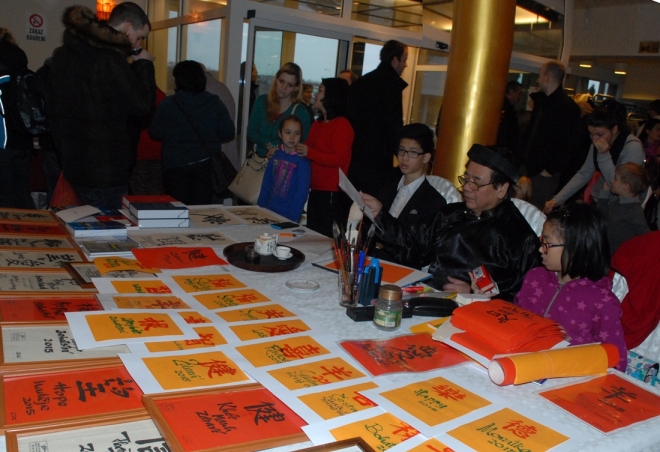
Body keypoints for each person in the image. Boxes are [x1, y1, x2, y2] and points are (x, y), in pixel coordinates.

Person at [362, 144, 541, 301]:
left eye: (476, 183)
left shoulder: (519, 236)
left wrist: (473, 294)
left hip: (475, 314)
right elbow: (414, 247)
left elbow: (523, 296)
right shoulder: (452, 214)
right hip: (429, 297)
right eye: (466, 179)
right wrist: (380, 216)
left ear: (502, 188)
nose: (467, 187)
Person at [48, 3, 156, 208]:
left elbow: (53, 107)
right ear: (127, 27)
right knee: (108, 225)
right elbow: (142, 106)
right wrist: (144, 65)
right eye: (139, 37)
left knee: (77, 223)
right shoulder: (110, 58)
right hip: (106, 168)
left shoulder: (63, 54)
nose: (137, 44)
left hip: (72, 162)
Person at [514, 203, 627, 371]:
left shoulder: (602, 301)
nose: (540, 249)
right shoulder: (535, 278)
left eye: (547, 243)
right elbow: (515, 319)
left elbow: (616, 361)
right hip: (522, 363)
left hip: (568, 377)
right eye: (541, 240)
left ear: (575, 248)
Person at [149, 60, 235, 205]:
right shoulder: (214, 103)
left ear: (178, 81)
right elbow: (228, 133)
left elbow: (155, 132)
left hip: (174, 165)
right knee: (201, 210)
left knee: (177, 210)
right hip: (205, 165)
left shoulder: (168, 105)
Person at [362, 123, 447, 265]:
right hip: (371, 259)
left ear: (426, 157)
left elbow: (415, 251)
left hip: (403, 268)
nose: (404, 158)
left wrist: (381, 217)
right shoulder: (388, 186)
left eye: (413, 152)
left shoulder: (433, 201)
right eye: (402, 150)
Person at [544, 101, 645, 213]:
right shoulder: (598, 143)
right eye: (591, 134)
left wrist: (604, 155)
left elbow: (620, 186)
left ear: (614, 129)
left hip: (621, 209)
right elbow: (584, 173)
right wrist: (557, 199)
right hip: (600, 201)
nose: (594, 139)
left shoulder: (632, 147)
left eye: (600, 134)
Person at [519, 60, 581, 210]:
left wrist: (550, 169)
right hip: (530, 168)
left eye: (540, 76)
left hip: (543, 174)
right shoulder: (542, 103)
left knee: (536, 210)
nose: (538, 80)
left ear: (547, 77)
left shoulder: (567, 107)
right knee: (521, 207)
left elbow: (570, 145)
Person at [348, 40, 409, 195]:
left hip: (355, 158)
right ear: (394, 60)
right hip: (377, 162)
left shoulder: (362, 83)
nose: (405, 65)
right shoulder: (391, 86)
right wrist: (403, 155)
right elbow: (393, 127)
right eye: (404, 60)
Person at [295, 78, 353, 237]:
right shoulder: (318, 124)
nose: (315, 94)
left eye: (320, 90)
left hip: (332, 193)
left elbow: (339, 159)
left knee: (327, 237)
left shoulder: (342, 124)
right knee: (314, 236)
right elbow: (305, 150)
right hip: (316, 190)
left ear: (331, 96)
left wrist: (310, 153)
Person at [0, 28, 35, 209]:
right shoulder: (22, 67)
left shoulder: (1, 71)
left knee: (4, 197)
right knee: (22, 194)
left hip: (3, 141)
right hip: (24, 140)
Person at [247, 62, 311, 159]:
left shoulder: (301, 112)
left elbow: (303, 142)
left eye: (290, 85)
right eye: (282, 81)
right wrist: (269, 144)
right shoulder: (261, 101)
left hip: (286, 163)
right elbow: (251, 132)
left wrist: (277, 146)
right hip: (259, 161)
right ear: (276, 80)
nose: (284, 87)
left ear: (296, 87)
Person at [257, 115, 310, 222]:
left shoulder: (302, 162)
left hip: (289, 215)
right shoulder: (274, 156)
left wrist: (293, 218)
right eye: (288, 132)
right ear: (280, 134)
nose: (292, 137)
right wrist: (259, 208)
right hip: (268, 211)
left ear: (301, 135)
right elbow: (266, 183)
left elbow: (302, 192)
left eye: (297, 133)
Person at [596, 162, 650, 253]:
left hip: (619, 255)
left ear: (626, 186)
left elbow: (646, 235)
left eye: (616, 179)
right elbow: (601, 215)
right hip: (608, 252)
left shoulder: (634, 211)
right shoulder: (617, 202)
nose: (612, 181)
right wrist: (604, 193)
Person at [496, 80, 522, 156]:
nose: (520, 97)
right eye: (519, 93)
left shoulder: (501, 105)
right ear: (511, 92)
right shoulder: (507, 110)